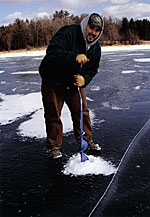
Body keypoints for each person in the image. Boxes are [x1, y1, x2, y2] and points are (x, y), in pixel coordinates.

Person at [39, 13, 104, 159]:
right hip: (53, 80)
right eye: (91, 27)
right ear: (85, 25)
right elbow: (52, 52)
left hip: (73, 83)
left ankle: (86, 142)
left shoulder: (95, 49)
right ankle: (54, 147)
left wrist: (84, 79)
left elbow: (92, 69)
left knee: (82, 112)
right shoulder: (68, 33)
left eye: (97, 30)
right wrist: (73, 57)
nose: (93, 32)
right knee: (53, 114)